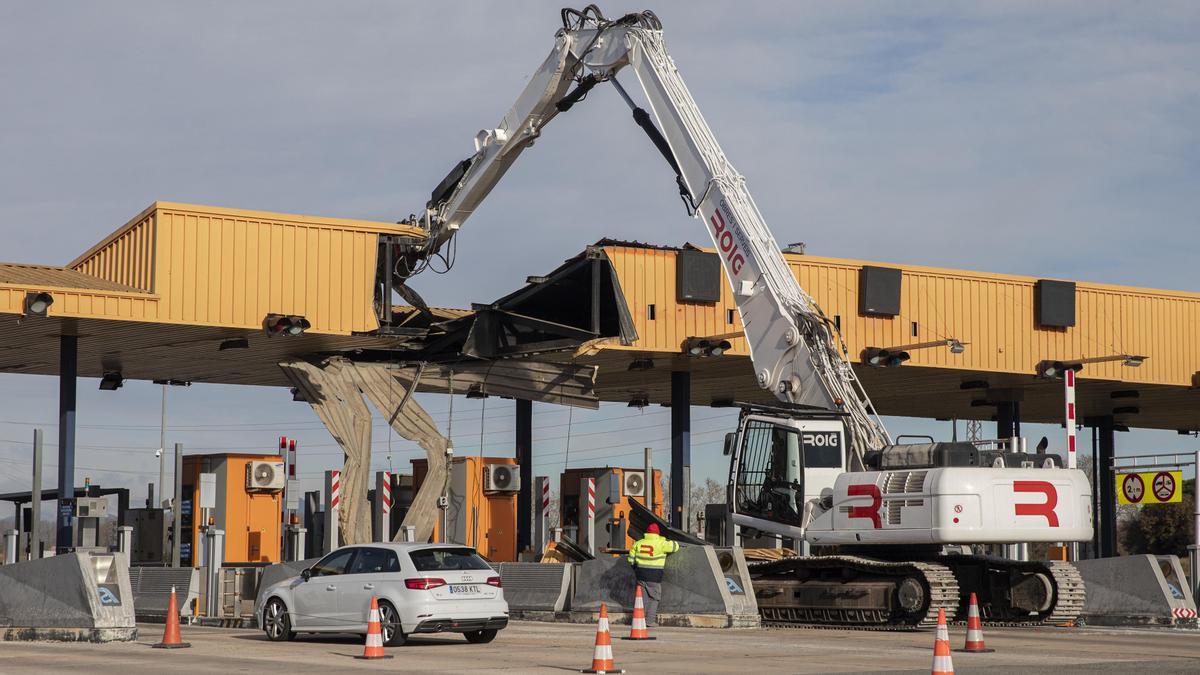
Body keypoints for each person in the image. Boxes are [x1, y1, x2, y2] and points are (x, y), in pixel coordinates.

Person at [626, 523, 680, 625]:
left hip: (640, 574)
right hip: (654, 575)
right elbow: (675, 546)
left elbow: (631, 559)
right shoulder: (661, 543)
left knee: (643, 599)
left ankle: (640, 620)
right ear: (657, 534)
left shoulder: (638, 543)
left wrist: (636, 568)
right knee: (655, 597)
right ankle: (649, 621)